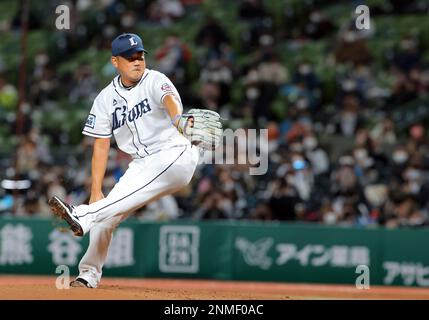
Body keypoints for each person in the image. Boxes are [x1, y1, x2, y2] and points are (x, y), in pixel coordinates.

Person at [48, 33, 222, 288]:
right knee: (108, 214)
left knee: (100, 212)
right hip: (142, 164)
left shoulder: (155, 79)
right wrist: (96, 190)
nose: (137, 61)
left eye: (140, 56)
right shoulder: (105, 99)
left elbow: (170, 101)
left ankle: (82, 216)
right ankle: (88, 274)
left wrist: (178, 120)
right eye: (130, 58)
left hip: (175, 154)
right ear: (115, 61)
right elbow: (101, 144)